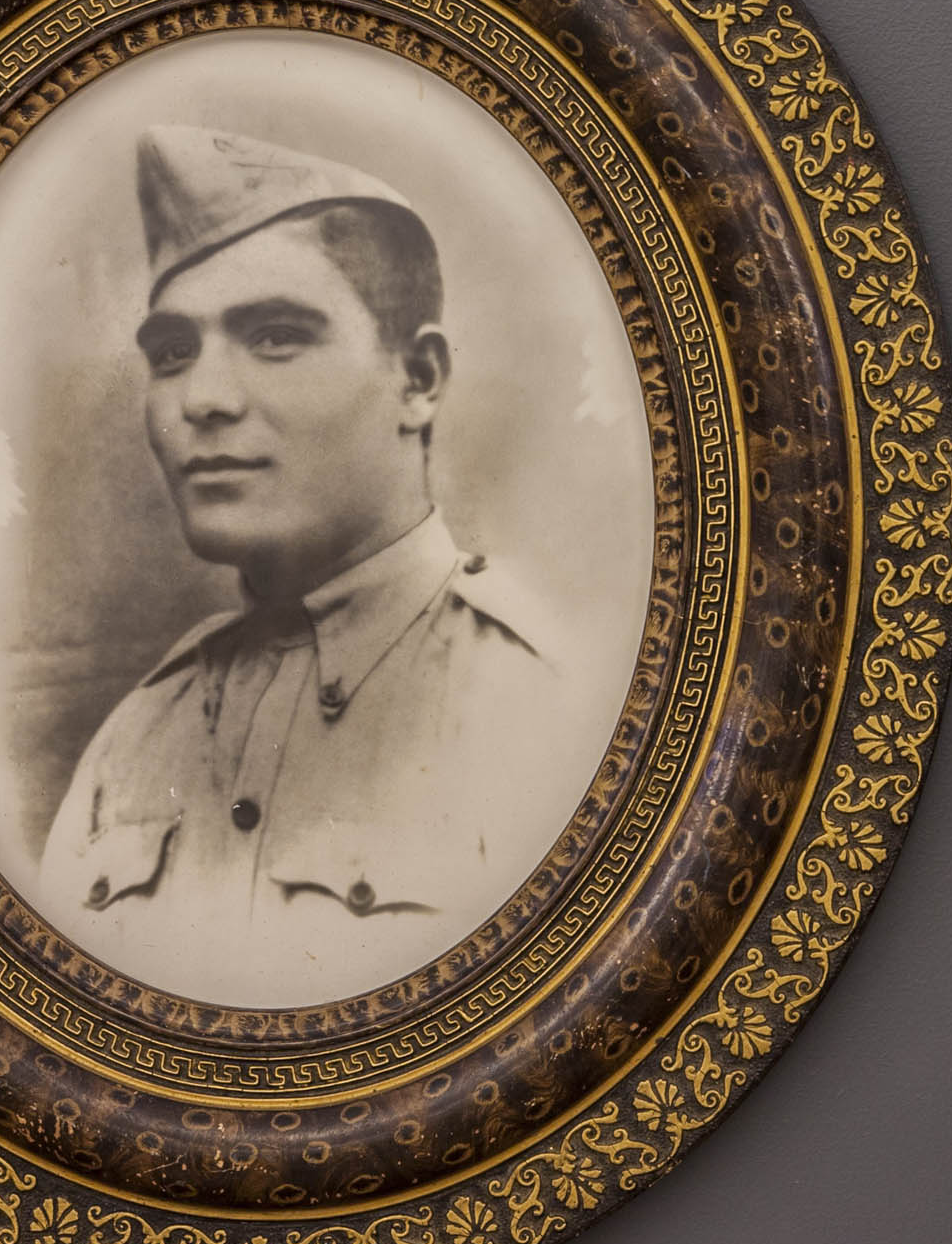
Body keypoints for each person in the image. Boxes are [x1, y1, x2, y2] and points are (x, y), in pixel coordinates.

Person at [33, 125, 593, 1006]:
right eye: (173, 353)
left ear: (419, 380)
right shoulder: (134, 737)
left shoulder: (560, 707)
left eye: (276, 336)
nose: (203, 399)